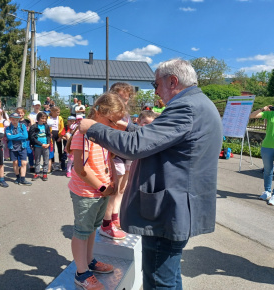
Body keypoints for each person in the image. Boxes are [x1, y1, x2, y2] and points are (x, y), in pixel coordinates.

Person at [79, 58, 223, 289]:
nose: (155, 91)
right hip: (177, 206)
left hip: (168, 210)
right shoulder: (198, 103)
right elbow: (160, 137)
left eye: (156, 84)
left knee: (158, 282)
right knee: (169, 277)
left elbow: (136, 146)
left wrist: (93, 128)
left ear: (173, 81)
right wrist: (126, 127)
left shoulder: (185, 107)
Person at [67, 92, 125, 289]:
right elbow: (81, 168)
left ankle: (89, 261)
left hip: (101, 191)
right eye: (111, 121)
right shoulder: (82, 134)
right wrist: (101, 187)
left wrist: (113, 181)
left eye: (116, 123)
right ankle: (81, 273)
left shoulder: (101, 133)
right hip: (87, 192)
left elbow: (109, 159)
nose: (113, 126)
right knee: (82, 231)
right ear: (99, 112)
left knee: (92, 228)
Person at [99, 82, 135, 240]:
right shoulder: (107, 115)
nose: (123, 102)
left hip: (126, 155)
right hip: (113, 155)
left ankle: (115, 218)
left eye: (126, 99)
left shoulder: (126, 115)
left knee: (122, 189)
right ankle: (106, 224)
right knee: (113, 190)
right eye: (120, 97)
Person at [6, 112, 32, 186]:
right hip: (12, 147)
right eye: (13, 120)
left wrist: (14, 136)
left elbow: (25, 136)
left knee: (24, 163)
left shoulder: (22, 126)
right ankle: (18, 177)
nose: (15, 121)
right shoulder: (8, 128)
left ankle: (23, 179)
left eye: (17, 120)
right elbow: (9, 137)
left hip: (22, 147)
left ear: (19, 120)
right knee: (15, 163)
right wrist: (19, 135)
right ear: (10, 119)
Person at [29, 112, 51, 181]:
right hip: (37, 146)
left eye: (45, 118)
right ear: (38, 118)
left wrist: (48, 143)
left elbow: (48, 135)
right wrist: (41, 144)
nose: (43, 120)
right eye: (42, 118)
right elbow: (32, 137)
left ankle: (45, 173)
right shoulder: (34, 126)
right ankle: (37, 172)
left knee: (46, 160)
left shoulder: (46, 126)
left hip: (46, 146)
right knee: (37, 160)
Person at [16, 107, 34, 173]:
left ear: (24, 113)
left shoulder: (26, 121)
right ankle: (20, 166)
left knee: (30, 153)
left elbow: (32, 127)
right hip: (18, 140)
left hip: (27, 140)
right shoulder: (16, 121)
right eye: (18, 113)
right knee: (19, 154)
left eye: (21, 113)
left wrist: (31, 119)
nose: (20, 114)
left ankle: (31, 166)